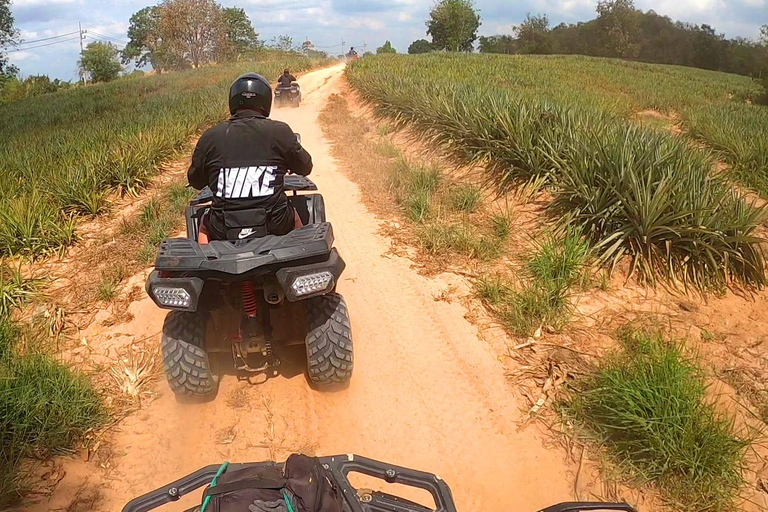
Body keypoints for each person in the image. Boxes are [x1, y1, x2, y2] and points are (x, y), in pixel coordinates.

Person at [188, 73, 313, 243]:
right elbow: (305, 167)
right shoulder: (279, 131)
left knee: (204, 224)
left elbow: (195, 181)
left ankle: (204, 264)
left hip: (224, 227)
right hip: (275, 223)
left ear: (233, 100)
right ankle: (302, 253)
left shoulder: (211, 136)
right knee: (293, 215)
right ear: (266, 100)